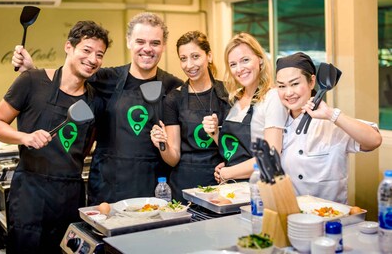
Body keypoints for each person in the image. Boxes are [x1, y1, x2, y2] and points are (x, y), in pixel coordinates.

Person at [11, 12, 183, 205]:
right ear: (129, 42)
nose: (147, 49)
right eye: (140, 41)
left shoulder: (174, 87)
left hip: (153, 188)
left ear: (164, 46)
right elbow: (67, 79)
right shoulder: (104, 79)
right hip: (107, 189)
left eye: (155, 43)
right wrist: (33, 70)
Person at [0, 21, 111, 253]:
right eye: (86, 50)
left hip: (70, 196)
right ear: (69, 47)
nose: (93, 59)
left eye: (99, 54)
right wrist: (25, 137)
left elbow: (85, 148)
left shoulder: (95, 101)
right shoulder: (32, 81)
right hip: (30, 194)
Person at [275, 52, 382, 203]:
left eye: (295, 84)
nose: (288, 92)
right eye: (281, 86)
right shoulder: (276, 126)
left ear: (312, 82)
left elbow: (374, 140)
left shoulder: (331, 122)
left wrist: (331, 114)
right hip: (289, 217)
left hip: (329, 219)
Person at [150, 31, 230, 202]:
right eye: (183, 58)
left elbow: (235, 149)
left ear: (209, 56)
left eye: (195, 56)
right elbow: (173, 159)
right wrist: (162, 144)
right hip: (184, 185)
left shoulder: (228, 93)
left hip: (220, 182)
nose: (189, 65)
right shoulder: (174, 99)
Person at [202, 32, 288, 182]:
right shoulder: (235, 98)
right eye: (233, 64)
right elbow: (234, 149)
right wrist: (215, 133)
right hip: (233, 189)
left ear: (260, 60)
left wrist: (228, 173)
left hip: (258, 189)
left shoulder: (271, 97)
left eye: (245, 60)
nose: (239, 69)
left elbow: (271, 156)